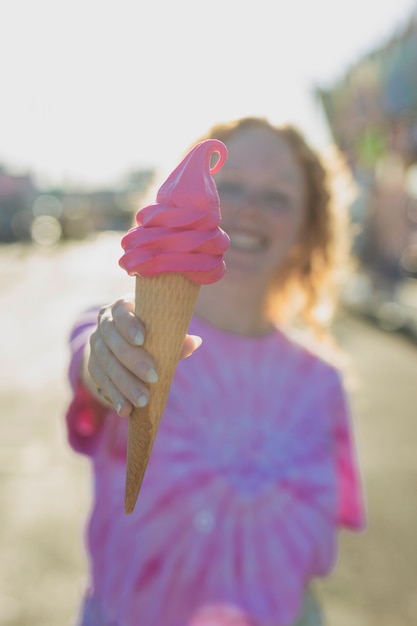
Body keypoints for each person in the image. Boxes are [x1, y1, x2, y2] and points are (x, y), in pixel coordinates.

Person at [65, 117, 366, 626]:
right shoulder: (131, 332)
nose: (247, 208)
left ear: (308, 228)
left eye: (277, 196)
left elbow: (318, 545)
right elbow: (90, 364)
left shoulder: (321, 382)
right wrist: (106, 361)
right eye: (230, 187)